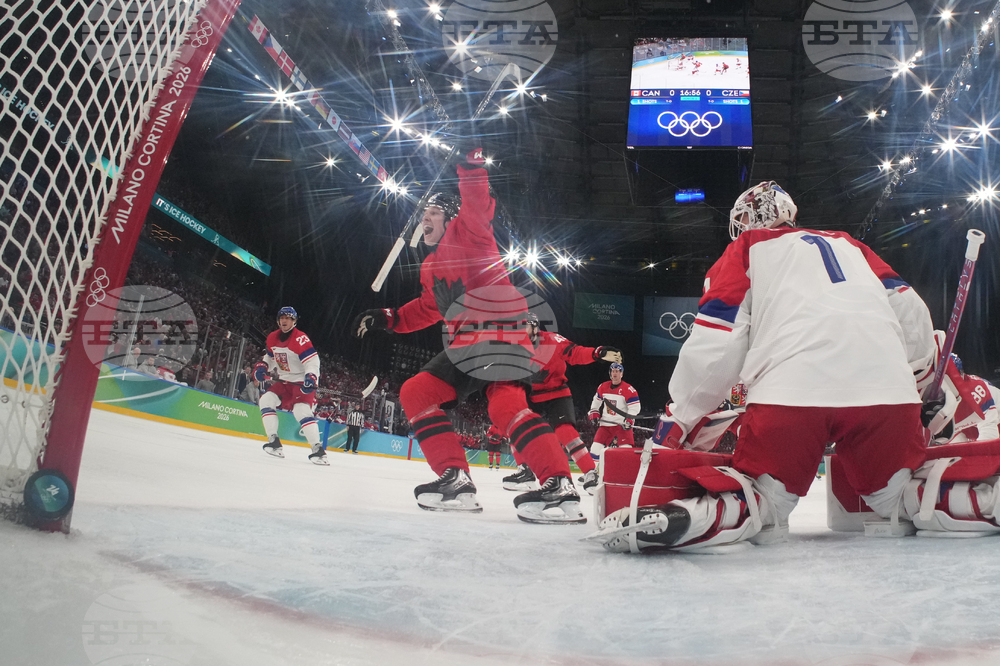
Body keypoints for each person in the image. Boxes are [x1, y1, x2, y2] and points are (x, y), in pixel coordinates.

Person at [593, 181, 1000, 552]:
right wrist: (920, 380)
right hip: (886, 397)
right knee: (897, 500)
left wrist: (681, 415)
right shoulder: (850, 245)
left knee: (763, 500)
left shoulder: (747, 248)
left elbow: (718, 344)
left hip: (790, 397)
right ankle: (984, 502)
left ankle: (692, 518)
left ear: (749, 220)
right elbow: (911, 314)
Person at [351, 146, 583, 524]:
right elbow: (427, 309)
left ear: (451, 218)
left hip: (499, 331)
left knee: (495, 403)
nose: (425, 219)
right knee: (426, 394)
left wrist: (470, 163)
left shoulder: (469, 233)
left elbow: (477, 201)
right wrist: (388, 318)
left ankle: (555, 484)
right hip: (469, 344)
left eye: (433, 214)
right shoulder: (429, 267)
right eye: (423, 215)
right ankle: (460, 479)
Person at [503, 313, 622, 494]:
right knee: (514, 427)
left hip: (556, 393)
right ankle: (525, 471)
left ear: (535, 328)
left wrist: (596, 353)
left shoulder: (552, 341)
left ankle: (590, 474)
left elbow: (575, 353)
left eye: (524, 326)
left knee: (565, 431)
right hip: (531, 395)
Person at [254, 307, 327, 465]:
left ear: (294, 321)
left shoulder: (300, 338)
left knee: (301, 411)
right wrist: (262, 366)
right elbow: (270, 356)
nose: (284, 321)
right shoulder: (273, 337)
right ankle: (274, 442)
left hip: (301, 381)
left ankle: (318, 450)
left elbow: (312, 361)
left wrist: (311, 377)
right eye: (282, 318)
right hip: (284, 381)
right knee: (266, 400)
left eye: (288, 318)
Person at [927, 350, 1000, 445]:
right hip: (967, 428)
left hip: (994, 422)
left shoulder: (976, 389)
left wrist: (977, 457)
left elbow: (989, 430)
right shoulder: (929, 393)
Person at [587, 362, 640, 465]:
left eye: (617, 371)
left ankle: (626, 476)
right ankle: (592, 474)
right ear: (610, 373)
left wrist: (629, 420)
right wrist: (594, 413)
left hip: (622, 425)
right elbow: (596, 402)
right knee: (595, 449)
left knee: (626, 452)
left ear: (622, 374)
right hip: (606, 425)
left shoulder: (629, 389)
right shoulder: (603, 387)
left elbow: (635, 407)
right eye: (612, 371)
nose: (614, 373)